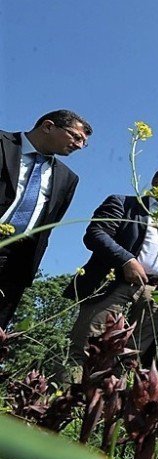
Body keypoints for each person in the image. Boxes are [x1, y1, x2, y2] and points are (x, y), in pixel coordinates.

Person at [64, 168, 158, 377]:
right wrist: (127, 260)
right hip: (115, 283)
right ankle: (64, 401)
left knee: (132, 357)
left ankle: (112, 403)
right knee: (88, 345)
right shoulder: (124, 203)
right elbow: (96, 234)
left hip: (156, 294)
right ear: (156, 183)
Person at [1, 110, 90, 328]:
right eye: (76, 137)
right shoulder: (2, 143)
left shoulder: (67, 178)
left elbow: (49, 224)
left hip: (15, 262)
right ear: (48, 126)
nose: (79, 146)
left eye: (83, 143)